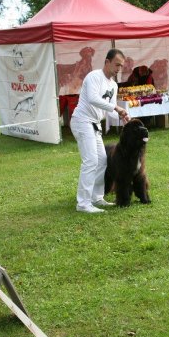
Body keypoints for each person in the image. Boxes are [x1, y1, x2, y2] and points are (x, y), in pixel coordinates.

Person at [71, 49, 131, 214]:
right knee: (90, 161)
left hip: (94, 124)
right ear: (107, 62)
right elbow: (92, 99)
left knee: (103, 161)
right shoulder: (94, 77)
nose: (119, 68)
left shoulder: (113, 85)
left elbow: (109, 109)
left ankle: (96, 197)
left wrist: (122, 115)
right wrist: (117, 107)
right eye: (116, 64)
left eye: (121, 65)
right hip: (82, 121)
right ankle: (83, 204)